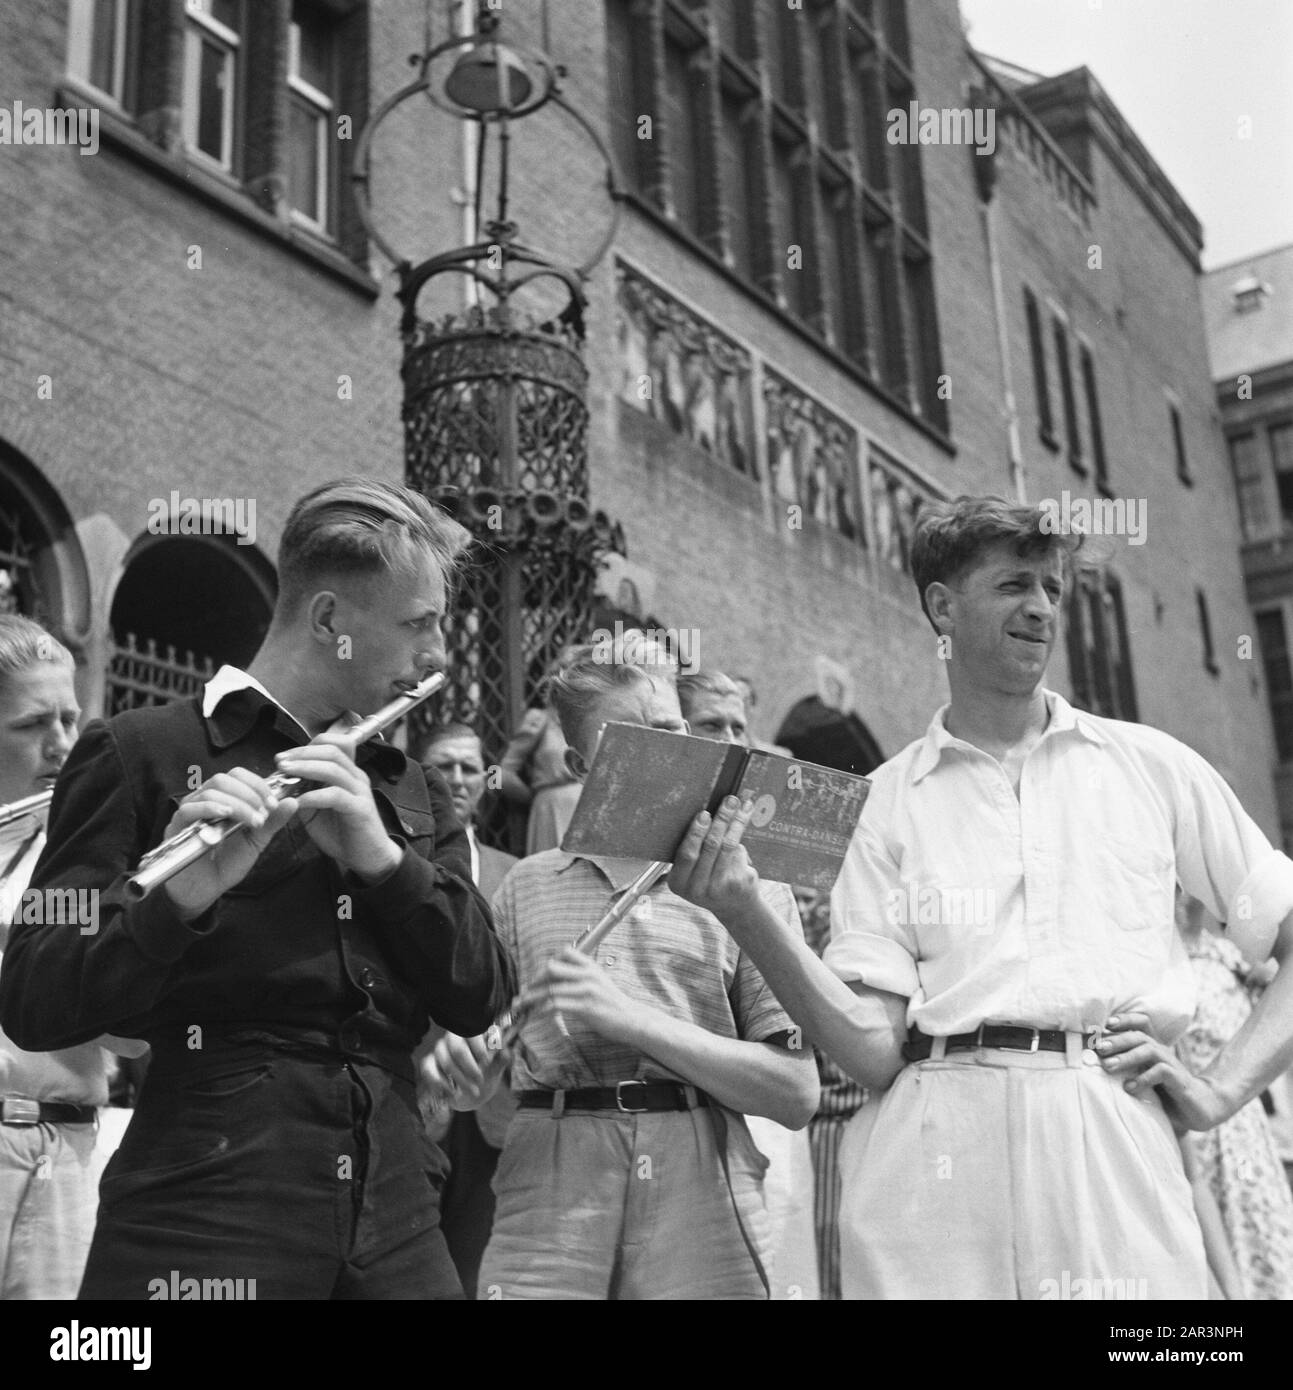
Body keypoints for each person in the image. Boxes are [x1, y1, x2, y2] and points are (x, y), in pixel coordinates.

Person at [676, 495, 1293, 1299]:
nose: (1039, 608)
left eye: (1051, 588)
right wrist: (745, 913)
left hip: (1109, 1130)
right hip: (935, 1154)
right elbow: (869, 1047)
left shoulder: (1153, 767)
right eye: (1012, 586)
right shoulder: (881, 802)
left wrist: (1218, 1091)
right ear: (941, 606)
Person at [0, 479, 515, 1300]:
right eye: (418, 624)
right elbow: (34, 1000)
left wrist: (386, 865)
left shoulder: (407, 787)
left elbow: (481, 992)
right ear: (327, 622)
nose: (437, 657)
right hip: (204, 1210)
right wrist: (179, 899)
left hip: (397, 1211)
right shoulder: (141, 750)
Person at [424, 637, 818, 1299]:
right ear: (580, 762)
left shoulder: (746, 887)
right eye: (632, 736)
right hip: (545, 1186)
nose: (666, 751)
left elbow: (796, 1093)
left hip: (702, 1182)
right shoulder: (523, 887)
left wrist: (630, 1021)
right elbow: (493, 1115)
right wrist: (472, 1080)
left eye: (669, 729)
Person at [0, 615, 146, 1298]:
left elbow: (137, 1039)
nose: (62, 744)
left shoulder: (96, 856)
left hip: (62, 1155)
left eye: (69, 719)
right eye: (33, 725)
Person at [676, 667, 820, 1299]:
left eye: (741, 727)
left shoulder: (769, 867)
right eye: (712, 726)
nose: (734, 741)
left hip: (769, 1102)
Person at [418, 722, 518, 1299]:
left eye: (468, 766)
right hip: (416, 1084)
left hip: (493, 1100)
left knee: (472, 1271)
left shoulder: (516, 871)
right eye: (441, 765)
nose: (456, 778)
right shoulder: (391, 857)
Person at [1175, 891, 1293, 1300]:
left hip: (1239, 1119)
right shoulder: (1160, 966)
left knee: (1256, 1220)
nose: (1183, 900)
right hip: (1189, 1122)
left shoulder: (1228, 957)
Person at [498, 653, 582, 855]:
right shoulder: (539, 719)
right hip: (552, 808)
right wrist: (535, 797)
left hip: (587, 805)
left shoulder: (587, 722)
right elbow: (498, 773)